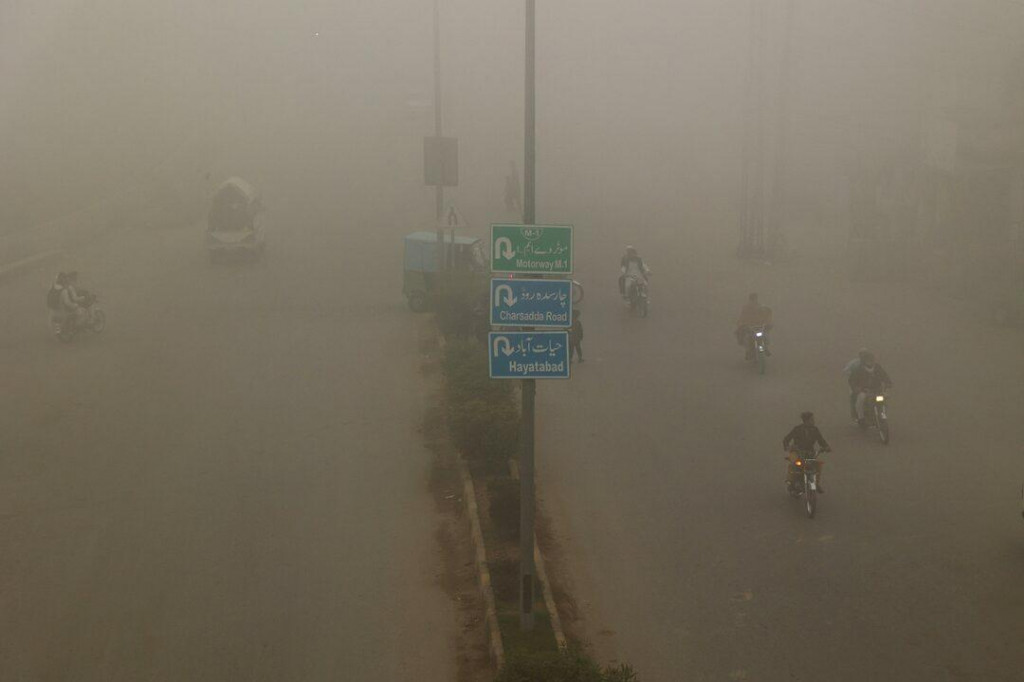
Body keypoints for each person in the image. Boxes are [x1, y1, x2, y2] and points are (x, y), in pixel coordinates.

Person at [783, 411, 832, 493]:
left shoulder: (815, 430)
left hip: (809, 453)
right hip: (797, 452)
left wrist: (826, 447)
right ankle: (792, 482)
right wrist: (788, 447)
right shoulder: (797, 429)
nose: (814, 421)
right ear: (806, 421)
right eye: (812, 420)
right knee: (795, 464)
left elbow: (821, 441)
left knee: (816, 465)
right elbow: (786, 439)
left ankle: (815, 483)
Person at [848, 352, 893, 425]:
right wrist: (857, 388)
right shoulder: (858, 369)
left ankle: (882, 415)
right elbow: (852, 380)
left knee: (883, 399)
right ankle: (861, 418)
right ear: (863, 361)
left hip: (877, 390)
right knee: (861, 399)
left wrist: (888, 383)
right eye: (867, 360)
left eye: (871, 360)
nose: (870, 362)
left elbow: (885, 376)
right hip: (864, 390)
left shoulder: (878, 367)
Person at [735, 293, 773, 359]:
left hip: (760, 327)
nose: (753, 301)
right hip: (749, 328)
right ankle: (748, 351)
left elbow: (766, 316)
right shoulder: (746, 308)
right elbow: (742, 317)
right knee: (747, 338)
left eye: (754, 299)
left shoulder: (761, 307)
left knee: (765, 336)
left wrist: (768, 323)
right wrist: (741, 324)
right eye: (752, 299)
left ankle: (765, 348)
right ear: (750, 299)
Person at [843, 348, 871, 420]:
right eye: (862, 355)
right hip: (854, 384)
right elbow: (845, 370)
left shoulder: (869, 363)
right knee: (853, 398)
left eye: (865, 355)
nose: (864, 356)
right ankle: (855, 416)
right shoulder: (854, 363)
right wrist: (852, 375)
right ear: (860, 355)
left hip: (866, 385)